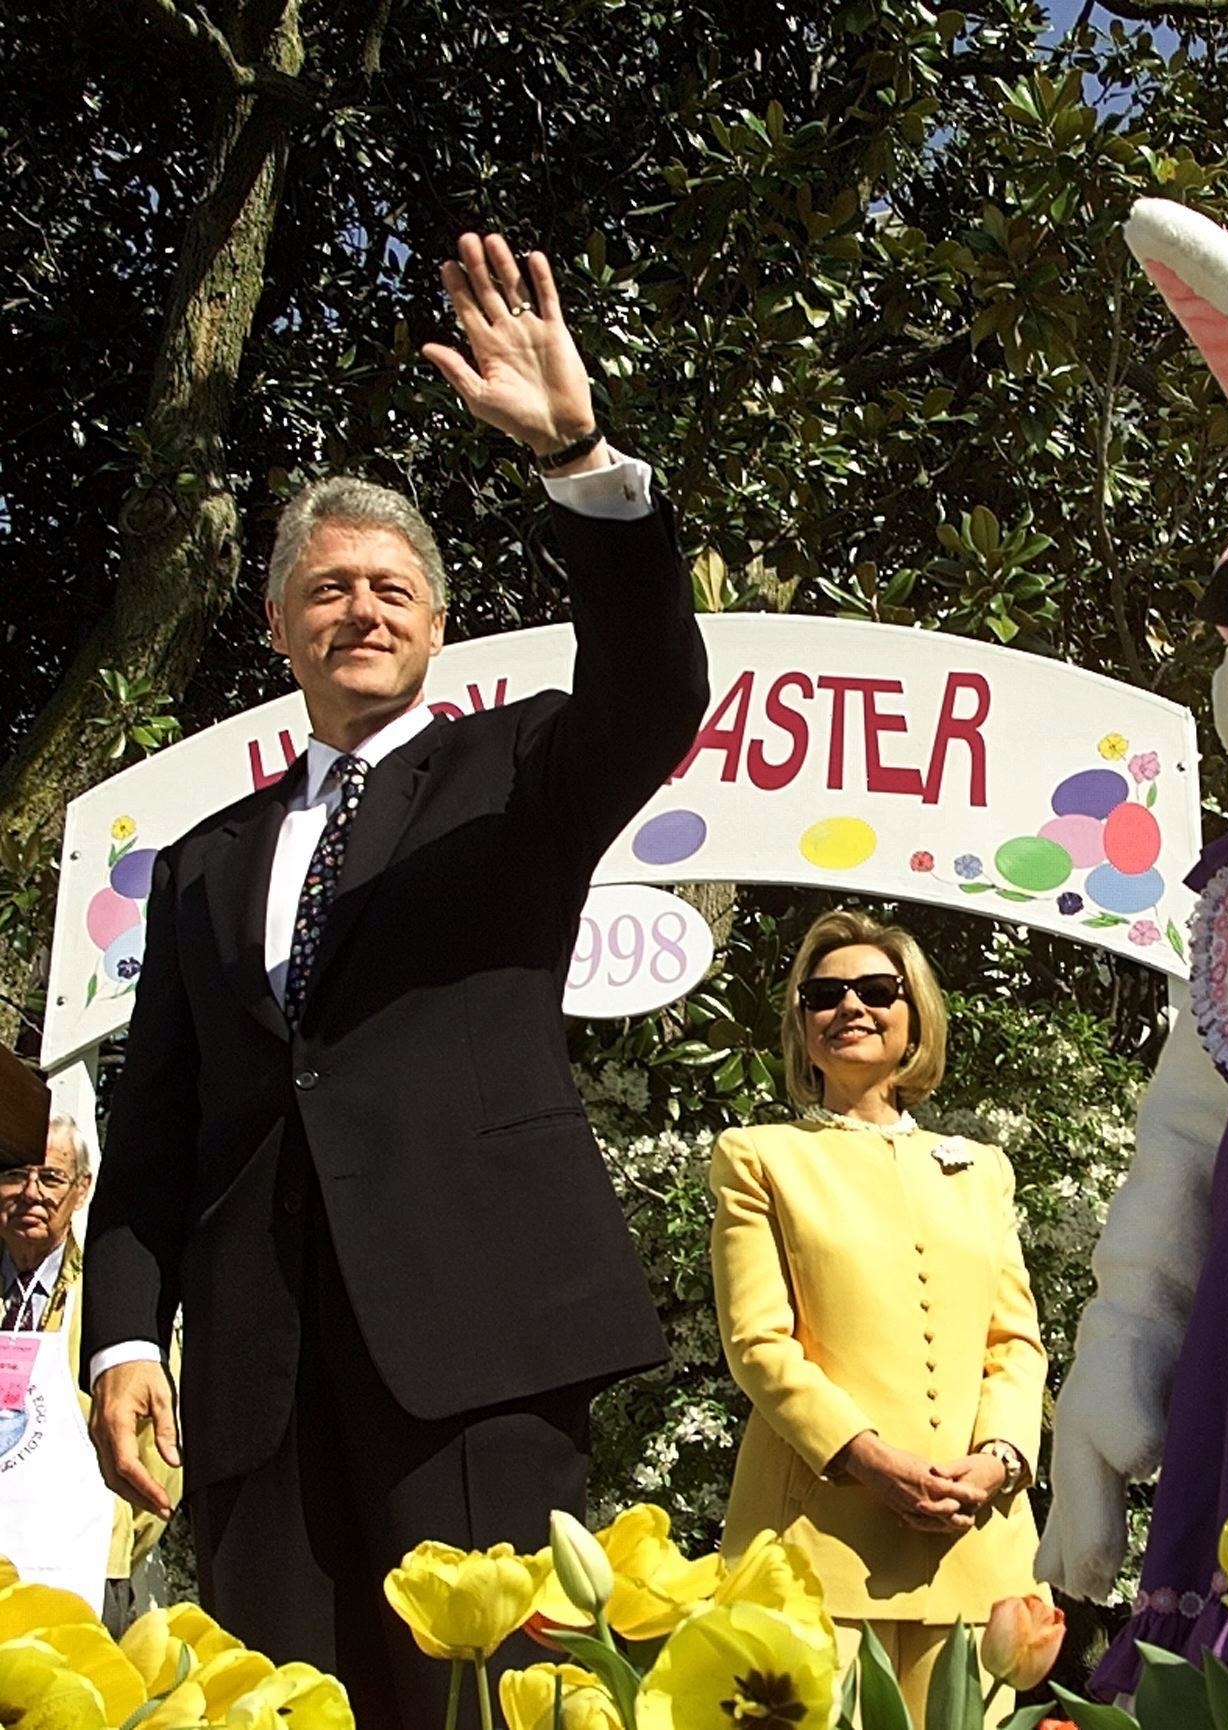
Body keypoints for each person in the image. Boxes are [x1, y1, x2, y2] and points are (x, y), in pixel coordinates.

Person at [82, 232, 709, 1728]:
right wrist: (122, 1334)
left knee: (492, 1705)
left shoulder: (519, 767)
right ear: (279, 626)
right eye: (326, 589)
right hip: (257, 1379)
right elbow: (157, 1124)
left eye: (390, 587)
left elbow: (654, 685)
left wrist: (580, 459)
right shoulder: (200, 861)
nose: (360, 608)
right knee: (279, 1706)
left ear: (435, 621)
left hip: (478, 1341)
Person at [710, 910, 1047, 1728]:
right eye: (823, 994)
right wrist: (867, 1460)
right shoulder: (757, 1156)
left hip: (977, 1546)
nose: (850, 1007)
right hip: (817, 1549)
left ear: (915, 1014)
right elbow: (759, 1343)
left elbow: (1016, 1342)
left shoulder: (982, 1171)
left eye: (875, 989)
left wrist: (1000, 1460)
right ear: (800, 1024)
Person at [0, 1099, 180, 1626]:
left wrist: (117, 1533)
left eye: (52, 1177)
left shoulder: (113, 1304)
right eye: (14, 1174)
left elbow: (160, 1457)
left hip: (81, 1573)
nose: (33, 1193)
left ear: (81, 1190)